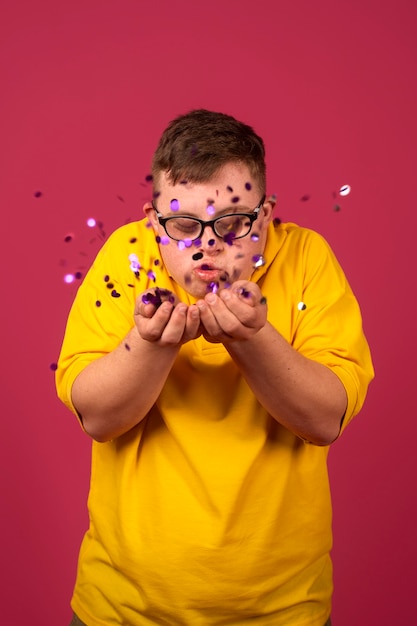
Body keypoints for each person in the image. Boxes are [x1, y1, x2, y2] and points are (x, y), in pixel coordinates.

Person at [56, 109, 374, 626]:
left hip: (282, 612)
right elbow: (97, 417)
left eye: (232, 223)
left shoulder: (308, 258)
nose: (208, 244)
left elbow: (324, 420)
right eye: (184, 225)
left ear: (265, 216)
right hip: (122, 611)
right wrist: (150, 343)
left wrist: (253, 338)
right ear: (153, 222)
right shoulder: (127, 258)